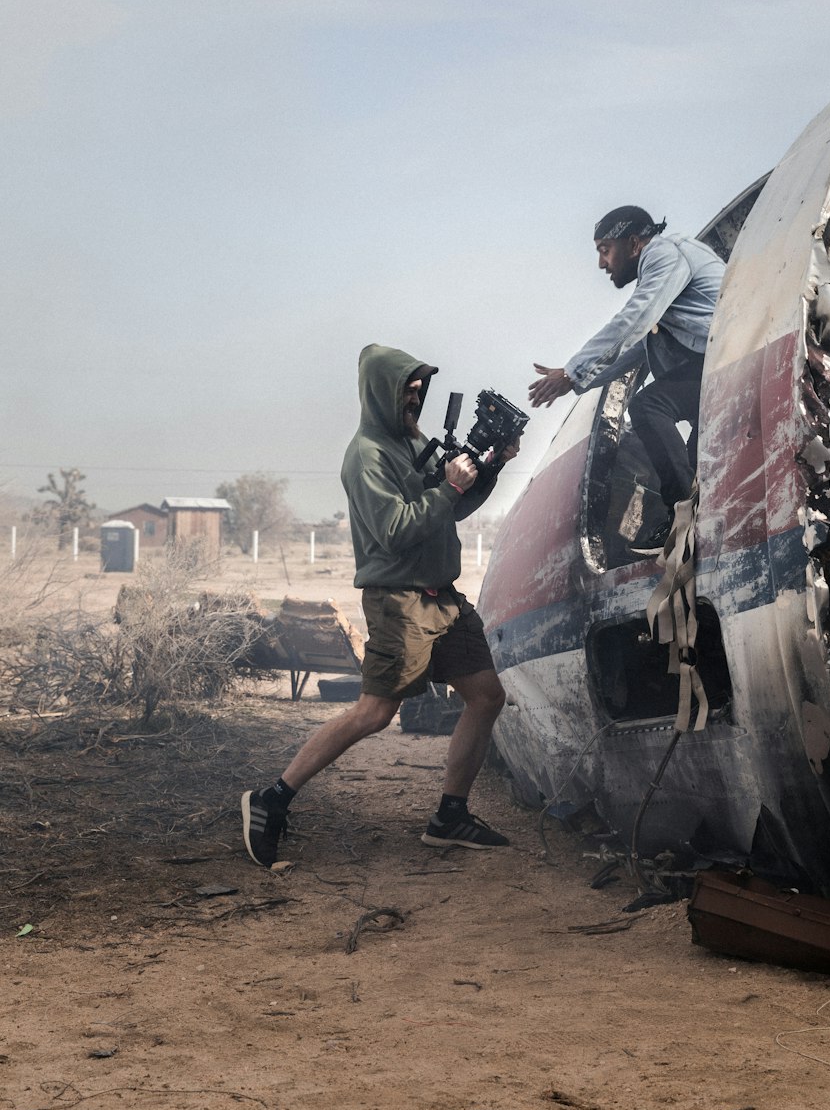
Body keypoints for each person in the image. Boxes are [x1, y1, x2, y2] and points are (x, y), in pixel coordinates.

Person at [241, 343, 517, 869]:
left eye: (419, 388)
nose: (415, 397)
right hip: (400, 600)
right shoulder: (366, 454)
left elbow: (452, 507)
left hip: (443, 598)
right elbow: (394, 533)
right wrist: (447, 489)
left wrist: (492, 468)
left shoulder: (414, 443)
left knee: (485, 696)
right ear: (379, 392)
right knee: (375, 712)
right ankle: (270, 800)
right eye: (406, 389)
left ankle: (449, 817)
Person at [529, 205, 724, 533]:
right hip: (715, 364)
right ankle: (692, 517)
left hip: (723, 360)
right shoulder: (662, 274)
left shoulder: (665, 254)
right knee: (695, 466)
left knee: (647, 406)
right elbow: (636, 350)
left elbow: (635, 318)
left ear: (634, 244)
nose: (601, 263)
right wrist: (574, 378)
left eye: (605, 250)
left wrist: (573, 372)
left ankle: (684, 517)